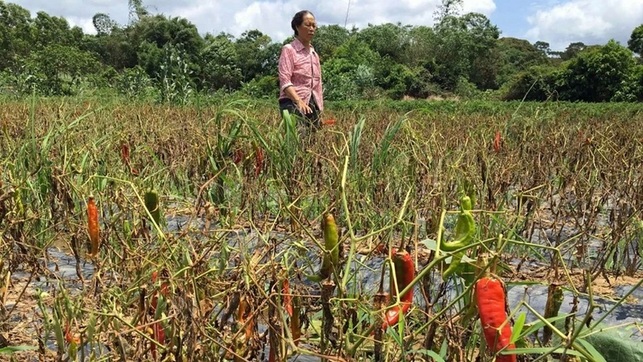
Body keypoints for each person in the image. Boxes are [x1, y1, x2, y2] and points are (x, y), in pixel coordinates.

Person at [278, 10, 323, 130]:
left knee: (313, 143)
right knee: (298, 140)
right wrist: (299, 101)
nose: (312, 28)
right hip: (292, 102)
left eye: (314, 26)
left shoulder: (314, 54)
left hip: (312, 104)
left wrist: (320, 110)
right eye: (307, 25)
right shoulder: (289, 49)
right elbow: (284, 80)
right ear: (297, 27)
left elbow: (318, 85)